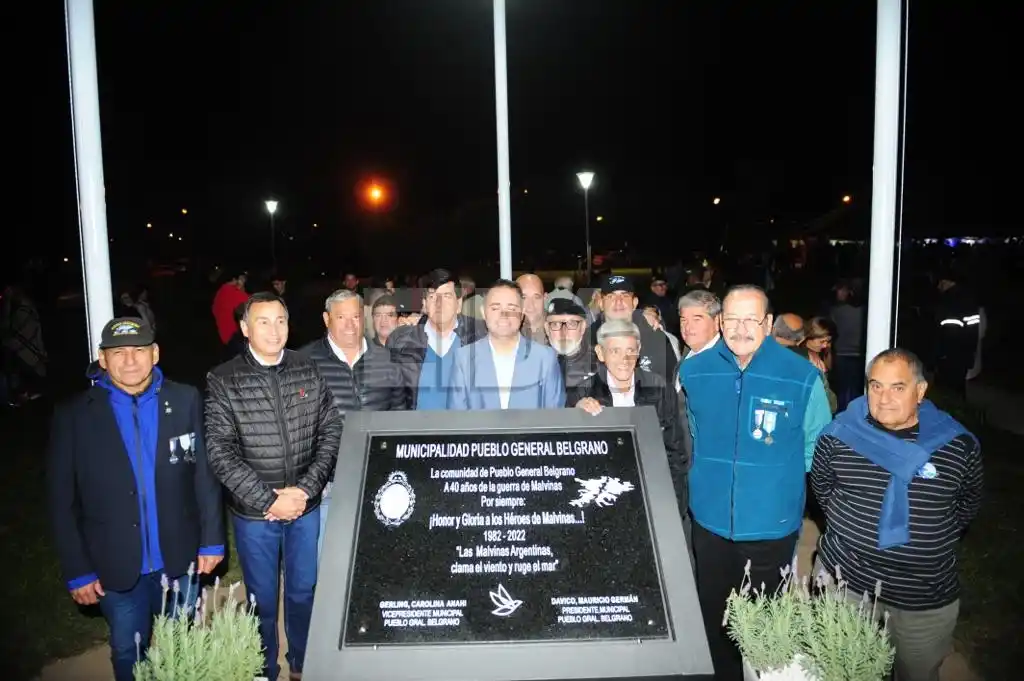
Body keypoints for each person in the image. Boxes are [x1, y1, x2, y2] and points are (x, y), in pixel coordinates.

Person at [48, 317, 224, 681]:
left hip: (181, 557)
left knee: (185, 645)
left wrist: (212, 540)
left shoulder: (185, 398)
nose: (130, 360)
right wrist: (77, 569)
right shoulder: (73, 416)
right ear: (102, 358)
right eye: (119, 352)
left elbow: (204, 476)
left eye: (140, 350)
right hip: (115, 562)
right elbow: (62, 501)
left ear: (155, 353)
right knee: (130, 650)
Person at [680, 285, 832, 681]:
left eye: (752, 319)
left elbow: (817, 446)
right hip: (709, 522)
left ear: (767, 323)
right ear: (720, 321)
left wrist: (778, 488)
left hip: (771, 526)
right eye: (732, 318)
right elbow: (696, 432)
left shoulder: (800, 375)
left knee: (762, 628)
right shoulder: (694, 370)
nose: (741, 327)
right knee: (714, 619)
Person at [811, 348, 982, 681]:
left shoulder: (957, 446)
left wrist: (925, 542)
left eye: (897, 387)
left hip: (923, 597)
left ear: (920, 391)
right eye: (876, 386)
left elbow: (966, 505)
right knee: (842, 670)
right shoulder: (838, 437)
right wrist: (855, 530)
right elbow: (823, 491)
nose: (884, 398)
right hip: (846, 584)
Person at [205, 292, 342, 681]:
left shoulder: (307, 368)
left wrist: (305, 491)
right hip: (255, 516)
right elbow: (220, 452)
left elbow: (330, 429)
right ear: (246, 329)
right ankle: (263, 668)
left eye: (280, 320)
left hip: (304, 508)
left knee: (303, 593)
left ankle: (303, 664)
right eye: (263, 321)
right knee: (261, 600)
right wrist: (269, 500)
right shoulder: (224, 378)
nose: (274, 329)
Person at [301, 289, 404, 559]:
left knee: (376, 563)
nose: (350, 324)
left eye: (356, 316)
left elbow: (399, 415)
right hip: (327, 485)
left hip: (377, 479)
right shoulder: (305, 362)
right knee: (327, 563)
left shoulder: (387, 359)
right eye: (341, 317)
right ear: (327, 319)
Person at [569, 318, 691, 536]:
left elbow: (675, 454)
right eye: (615, 351)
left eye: (630, 351)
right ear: (600, 353)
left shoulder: (661, 389)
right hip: (602, 505)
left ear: (639, 350)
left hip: (652, 499)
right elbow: (573, 464)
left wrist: (674, 506)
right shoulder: (582, 394)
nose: (624, 359)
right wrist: (576, 415)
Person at [448, 279, 565, 410]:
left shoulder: (545, 358)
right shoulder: (464, 359)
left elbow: (554, 419)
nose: (504, 315)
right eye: (495, 308)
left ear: (522, 313)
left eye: (512, 308)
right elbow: (457, 419)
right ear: (483, 312)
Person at [387, 268, 486, 409]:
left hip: (467, 428)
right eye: (432, 297)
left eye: (446, 296)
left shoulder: (480, 335)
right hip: (415, 429)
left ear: (458, 304)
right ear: (424, 304)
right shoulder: (401, 341)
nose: (439, 304)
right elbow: (389, 396)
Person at [544, 298, 598, 390]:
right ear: (547, 329)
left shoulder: (597, 366)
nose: (564, 332)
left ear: (583, 327)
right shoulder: (536, 365)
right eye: (556, 324)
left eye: (572, 324)